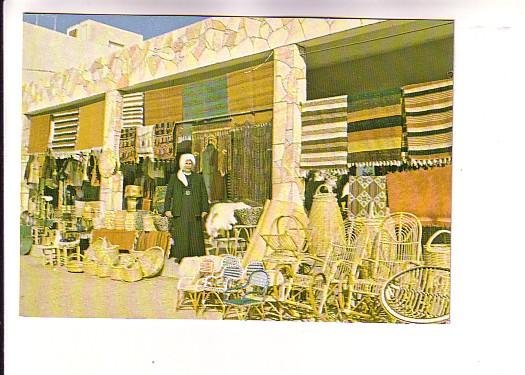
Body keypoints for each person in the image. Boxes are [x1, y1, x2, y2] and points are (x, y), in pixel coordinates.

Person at [164, 154, 209, 261]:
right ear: (182, 163)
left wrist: (204, 209)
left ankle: (195, 257)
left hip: (194, 210)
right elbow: (168, 195)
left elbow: (204, 194)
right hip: (180, 210)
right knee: (181, 233)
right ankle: (181, 257)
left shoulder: (198, 177)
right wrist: (167, 209)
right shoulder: (175, 178)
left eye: (190, 163)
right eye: (186, 163)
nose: (188, 165)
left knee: (195, 234)